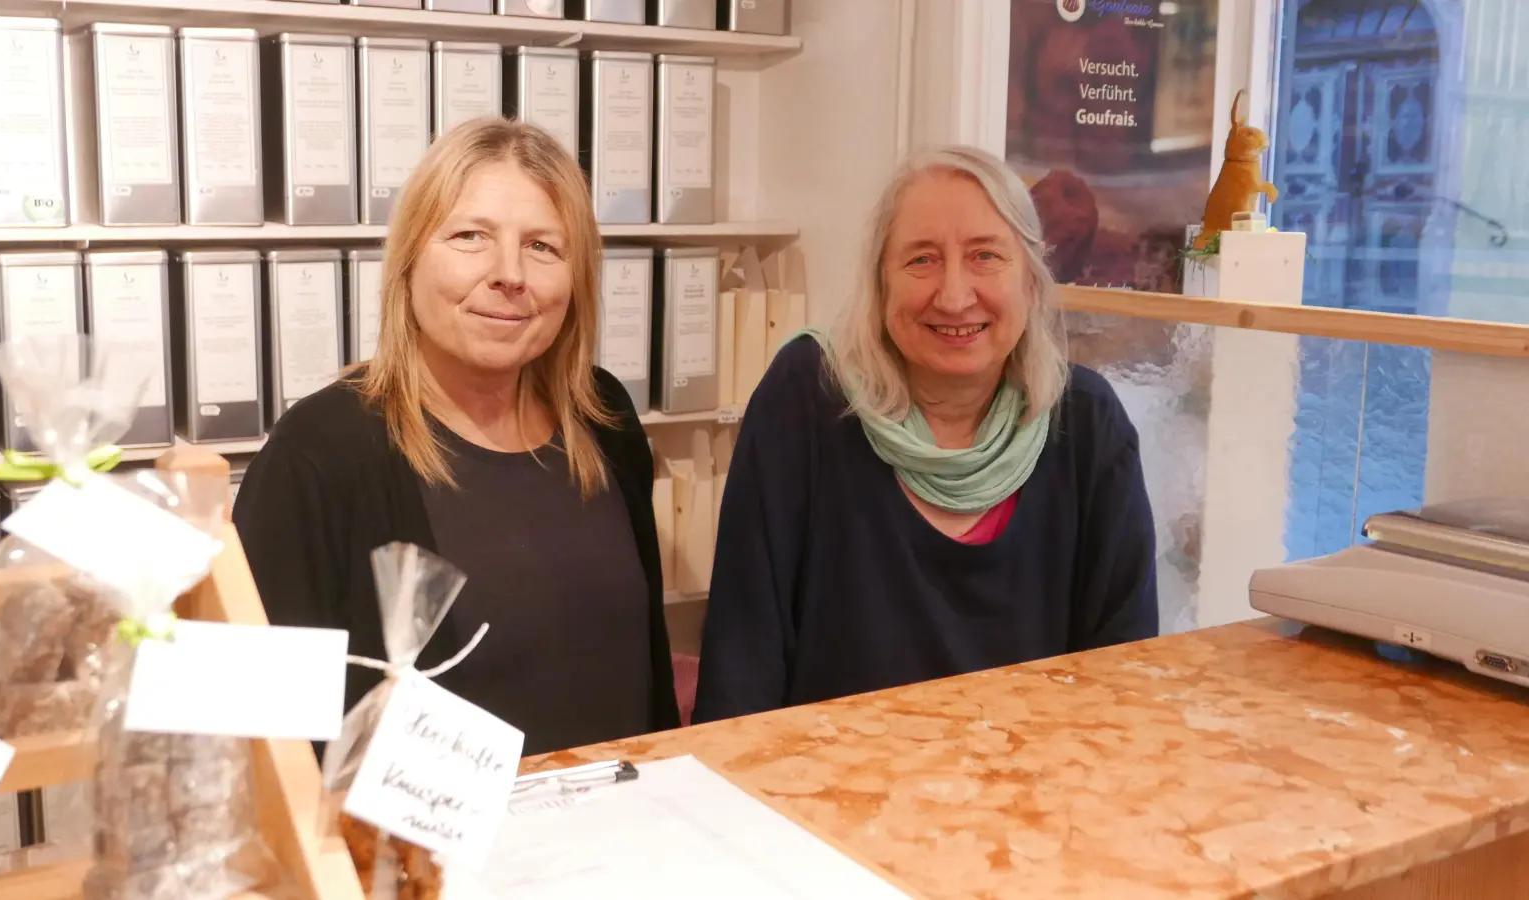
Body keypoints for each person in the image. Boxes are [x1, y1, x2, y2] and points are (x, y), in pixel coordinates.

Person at [234, 118, 678, 755]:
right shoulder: (321, 451)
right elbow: (271, 731)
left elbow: (645, 670)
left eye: (543, 247)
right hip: (424, 851)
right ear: (411, 257)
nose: (509, 273)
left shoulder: (603, 416)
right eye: (471, 237)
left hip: (627, 830)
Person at [693, 146, 1157, 722]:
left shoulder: (1087, 424)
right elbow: (742, 657)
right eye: (921, 260)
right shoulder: (808, 398)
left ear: (1032, 283)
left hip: (1033, 793)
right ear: (880, 282)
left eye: (986, 256)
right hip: (828, 792)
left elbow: (1123, 675)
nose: (955, 296)